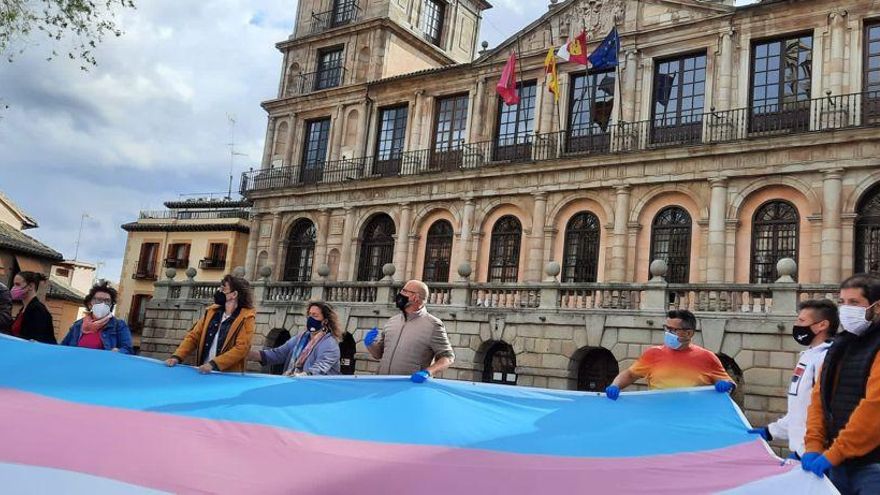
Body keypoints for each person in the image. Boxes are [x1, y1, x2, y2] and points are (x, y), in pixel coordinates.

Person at [802, 274, 880, 492]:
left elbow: (874, 409)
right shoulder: (838, 345)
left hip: (872, 467)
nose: (846, 309)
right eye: (843, 302)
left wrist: (834, 453)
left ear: (877, 307)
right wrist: (813, 446)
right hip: (837, 464)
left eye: (854, 303)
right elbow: (819, 399)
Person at [747, 299, 837, 459]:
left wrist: (814, 451)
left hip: (815, 454)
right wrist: (770, 432)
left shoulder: (826, 358)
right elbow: (800, 410)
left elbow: (823, 410)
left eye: (801, 321)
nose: (796, 325)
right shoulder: (808, 356)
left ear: (822, 325)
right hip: (802, 450)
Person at [604, 309, 735, 399]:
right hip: (658, 416)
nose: (667, 333)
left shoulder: (707, 357)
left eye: (673, 330)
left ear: (689, 333)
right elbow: (630, 374)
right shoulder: (653, 354)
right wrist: (615, 385)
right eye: (666, 328)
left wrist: (726, 385)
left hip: (692, 420)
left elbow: (730, 384)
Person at [365, 280, 454, 383]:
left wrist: (428, 372)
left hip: (410, 389)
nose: (400, 294)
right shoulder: (392, 321)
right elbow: (378, 354)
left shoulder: (433, 325)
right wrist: (370, 344)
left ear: (416, 297)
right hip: (382, 386)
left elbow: (448, 357)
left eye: (404, 291)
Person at [165, 274, 255, 373]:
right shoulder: (211, 312)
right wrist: (177, 357)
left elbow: (241, 348)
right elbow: (193, 337)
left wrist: (214, 364)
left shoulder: (247, 317)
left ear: (234, 294)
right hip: (204, 371)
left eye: (223, 289)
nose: (219, 292)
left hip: (227, 376)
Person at [248, 301, 341, 376]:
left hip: (317, 391)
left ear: (325, 321)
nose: (310, 318)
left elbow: (319, 369)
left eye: (315, 316)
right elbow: (278, 354)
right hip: (295, 385)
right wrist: (249, 355)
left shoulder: (329, 344)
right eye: (309, 315)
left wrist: (302, 375)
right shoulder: (300, 338)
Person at [60, 281, 134, 354]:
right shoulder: (78, 325)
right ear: (90, 304)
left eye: (107, 301)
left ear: (111, 305)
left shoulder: (119, 325)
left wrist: (118, 352)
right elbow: (63, 347)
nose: (102, 304)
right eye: (98, 300)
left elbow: (128, 349)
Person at [8, 271, 55, 344]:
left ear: (30, 286)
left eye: (17, 284)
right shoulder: (24, 309)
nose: (14, 288)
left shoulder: (38, 310)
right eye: (14, 284)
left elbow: (37, 339)